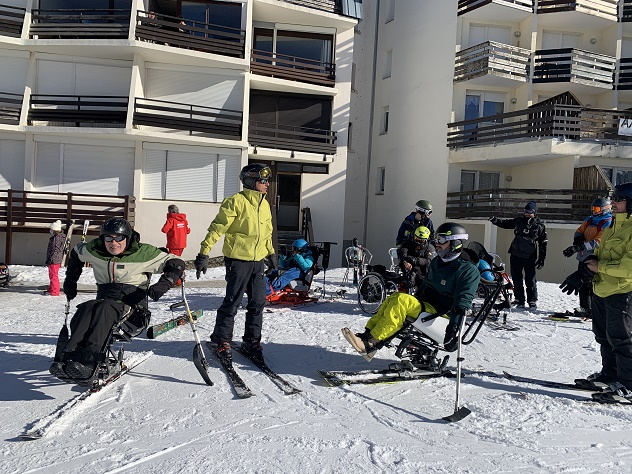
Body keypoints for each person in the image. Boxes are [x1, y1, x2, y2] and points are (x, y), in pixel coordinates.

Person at [49, 218, 184, 383]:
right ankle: (68, 357)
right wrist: (71, 280)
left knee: (104, 308)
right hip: (104, 300)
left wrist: (163, 284)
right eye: (108, 238)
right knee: (86, 307)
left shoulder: (143, 253)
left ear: (127, 237)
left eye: (119, 238)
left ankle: (91, 361)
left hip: (134, 311)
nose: (113, 243)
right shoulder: (95, 249)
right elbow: (76, 253)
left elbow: (176, 263)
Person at [343, 223, 480, 361]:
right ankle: (368, 336)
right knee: (395, 297)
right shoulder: (437, 262)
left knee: (401, 301)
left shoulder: (468, 270)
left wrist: (452, 331)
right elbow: (426, 286)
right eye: (436, 240)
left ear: (455, 242)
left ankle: (372, 342)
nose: (437, 244)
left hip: (442, 316)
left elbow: (462, 303)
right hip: (428, 307)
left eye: (442, 240)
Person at [194, 163, 277, 361]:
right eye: (262, 181)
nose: (267, 185)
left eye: (267, 181)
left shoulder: (264, 204)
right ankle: (221, 339)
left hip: (258, 261)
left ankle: (252, 340)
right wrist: (204, 253)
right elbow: (217, 228)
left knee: (258, 302)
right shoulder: (235, 202)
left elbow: (267, 233)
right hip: (238, 260)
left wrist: (271, 254)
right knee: (233, 301)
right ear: (250, 181)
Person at [560, 183, 632, 402]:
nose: (613, 203)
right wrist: (583, 271)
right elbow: (599, 252)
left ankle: (629, 386)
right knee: (604, 336)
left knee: (622, 339)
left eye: (618, 199)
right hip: (602, 288)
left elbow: (629, 266)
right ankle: (610, 376)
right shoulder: (612, 225)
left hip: (623, 290)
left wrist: (600, 268)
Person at [489, 201, 547, 308]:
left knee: (530, 279)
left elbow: (543, 243)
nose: (527, 213)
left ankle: (532, 300)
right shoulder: (519, 221)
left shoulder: (539, 226)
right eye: (525, 211)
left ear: (535, 212)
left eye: (529, 211)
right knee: (516, 278)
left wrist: (542, 258)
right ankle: (519, 299)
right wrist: (495, 221)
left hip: (529, 256)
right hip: (516, 254)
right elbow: (505, 224)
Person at [562, 197, 613, 318]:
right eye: (593, 208)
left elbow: (598, 242)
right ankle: (585, 308)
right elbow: (579, 230)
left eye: (596, 208)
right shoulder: (590, 219)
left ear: (605, 209)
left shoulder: (607, 222)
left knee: (593, 285)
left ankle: (596, 310)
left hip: (595, 259)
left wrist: (578, 247)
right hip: (583, 257)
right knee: (583, 284)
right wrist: (578, 238)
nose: (594, 211)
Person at [396, 225, 434, 291]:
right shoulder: (407, 243)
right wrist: (405, 262)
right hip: (407, 268)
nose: (418, 242)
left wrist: (416, 260)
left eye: (421, 241)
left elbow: (428, 261)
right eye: (417, 239)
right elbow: (402, 254)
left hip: (422, 272)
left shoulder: (428, 248)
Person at [45, 220, 66, 296]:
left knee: (54, 275)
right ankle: (51, 289)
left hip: (54, 259)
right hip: (53, 259)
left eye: (51, 230)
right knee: (52, 275)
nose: (50, 231)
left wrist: (51, 258)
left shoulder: (57, 238)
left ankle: (55, 291)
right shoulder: (55, 237)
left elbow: (56, 249)